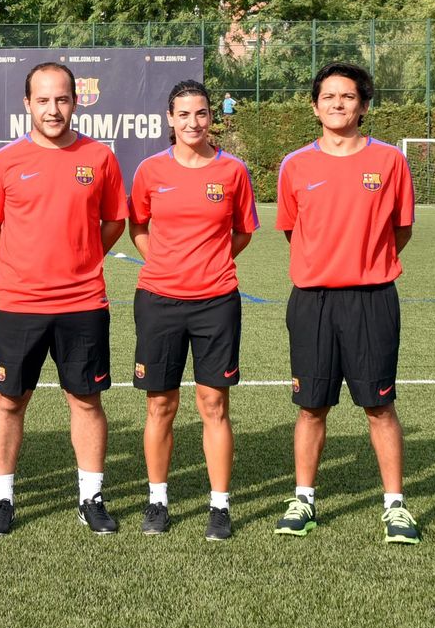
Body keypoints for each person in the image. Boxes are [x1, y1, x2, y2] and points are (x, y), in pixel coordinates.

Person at [0, 63, 127, 537]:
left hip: (83, 303)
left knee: (86, 400)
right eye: (43, 100)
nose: (53, 108)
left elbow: (113, 223)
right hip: (18, 304)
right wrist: (24, 265)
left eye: (61, 99)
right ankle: (2, 499)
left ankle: (91, 497)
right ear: (27, 105)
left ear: (75, 102)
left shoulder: (99, 158)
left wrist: (79, 260)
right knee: (8, 401)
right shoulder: (4, 161)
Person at [274, 62, 420, 544]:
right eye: (329, 97)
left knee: (379, 406)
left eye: (349, 96)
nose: (339, 104)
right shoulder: (295, 165)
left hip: (373, 299)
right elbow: (294, 232)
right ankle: (303, 499)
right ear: (315, 107)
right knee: (311, 405)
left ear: (363, 105)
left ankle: (395, 507)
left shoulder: (389, 162)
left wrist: (366, 264)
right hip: (312, 301)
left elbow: (400, 230)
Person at [128, 80, 259, 541]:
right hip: (159, 300)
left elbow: (242, 232)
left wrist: (211, 263)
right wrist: (164, 263)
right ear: (170, 118)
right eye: (183, 115)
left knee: (214, 404)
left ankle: (219, 505)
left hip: (216, 301)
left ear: (211, 117)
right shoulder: (149, 171)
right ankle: (157, 500)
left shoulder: (233, 172)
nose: (192, 123)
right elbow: (138, 226)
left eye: (201, 114)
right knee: (160, 404)